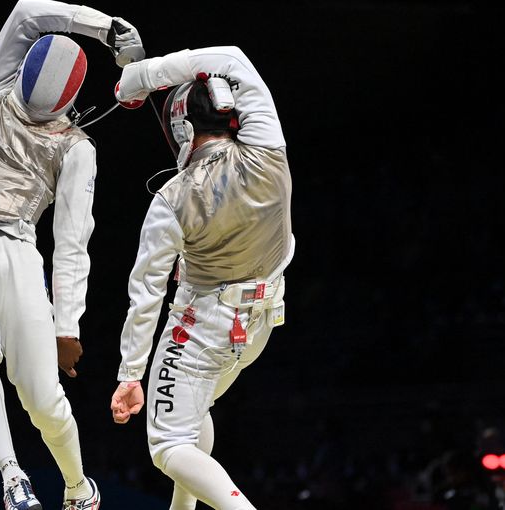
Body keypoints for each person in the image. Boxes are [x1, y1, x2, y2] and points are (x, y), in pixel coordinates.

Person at [0, 1, 143, 509]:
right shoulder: (4, 79)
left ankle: (77, 487)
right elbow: (28, 11)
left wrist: (68, 326)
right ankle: (12, 478)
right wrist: (109, 29)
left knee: (41, 398)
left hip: (16, 251)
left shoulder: (76, 149)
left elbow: (72, 243)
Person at [110, 46, 295, 510]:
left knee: (168, 445)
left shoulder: (172, 199)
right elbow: (231, 57)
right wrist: (143, 78)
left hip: (206, 328)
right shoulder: (268, 148)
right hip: (261, 322)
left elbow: (147, 292)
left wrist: (131, 373)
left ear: (182, 129)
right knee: (192, 417)